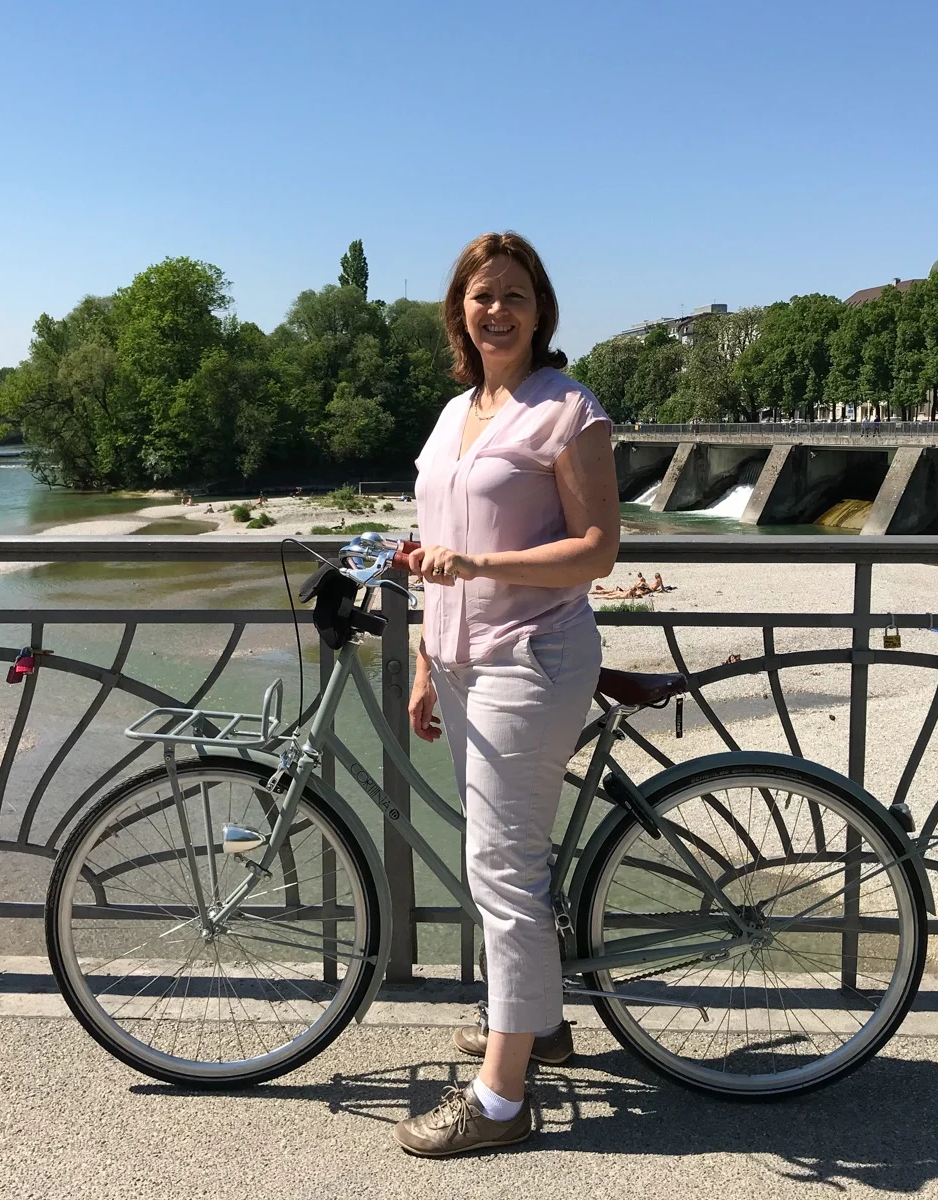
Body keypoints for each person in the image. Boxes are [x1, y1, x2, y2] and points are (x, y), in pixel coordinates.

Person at [396, 232, 617, 1157]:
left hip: (533, 656)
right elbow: (431, 548)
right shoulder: (455, 413)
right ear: (460, 309)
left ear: (540, 311)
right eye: (482, 296)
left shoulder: (568, 410)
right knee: (500, 859)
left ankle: (499, 1101)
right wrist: (424, 662)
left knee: (503, 870)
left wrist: (482, 565)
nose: (497, 311)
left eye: (514, 296)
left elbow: (598, 549)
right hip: (460, 664)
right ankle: (542, 1027)